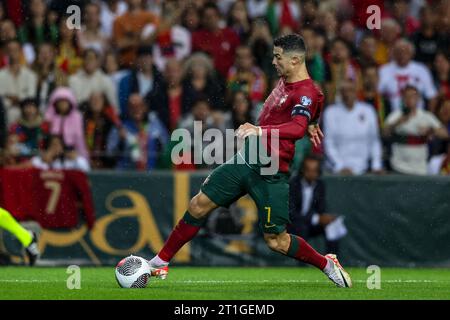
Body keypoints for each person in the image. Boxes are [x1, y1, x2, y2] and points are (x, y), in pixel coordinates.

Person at [148, 34, 352, 288]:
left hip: (271, 170)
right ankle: (160, 261)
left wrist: (267, 129)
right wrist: (313, 121)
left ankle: (326, 263)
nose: (274, 61)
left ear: (296, 60)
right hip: (247, 158)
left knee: (276, 241)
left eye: (278, 57)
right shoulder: (289, 82)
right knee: (199, 204)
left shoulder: (306, 91)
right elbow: (316, 105)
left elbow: (298, 127)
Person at [383, 85, 448, 175]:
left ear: (418, 98)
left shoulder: (426, 116)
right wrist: (397, 123)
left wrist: (431, 130)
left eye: (412, 96)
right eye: (407, 96)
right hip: (399, 166)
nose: (409, 99)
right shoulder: (396, 115)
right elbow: (384, 133)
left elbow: (445, 134)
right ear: (402, 99)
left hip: (420, 167)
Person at [288, 155, 346, 255]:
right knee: (302, 228)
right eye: (308, 170)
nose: (311, 173)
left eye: (314, 170)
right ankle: (302, 264)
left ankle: (332, 262)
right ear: (303, 170)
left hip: (311, 223)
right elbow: (291, 213)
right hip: (293, 224)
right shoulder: (293, 184)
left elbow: (321, 208)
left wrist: (326, 218)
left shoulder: (320, 185)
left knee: (331, 225)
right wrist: (315, 219)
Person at [323, 79, 383, 175]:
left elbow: (374, 141)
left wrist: (376, 165)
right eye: (344, 91)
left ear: (356, 92)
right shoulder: (330, 112)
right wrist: (340, 166)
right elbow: (328, 143)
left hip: (363, 168)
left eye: (350, 90)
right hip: (337, 170)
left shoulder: (368, 111)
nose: (347, 94)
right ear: (340, 93)